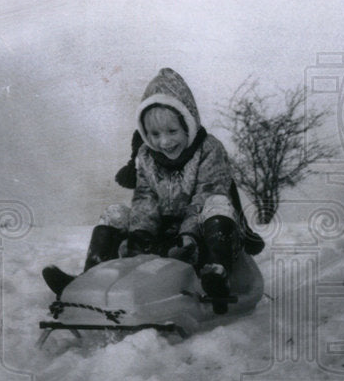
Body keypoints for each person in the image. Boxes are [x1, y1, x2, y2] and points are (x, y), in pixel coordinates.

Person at [42, 68, 261, 314]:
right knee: (115, 213)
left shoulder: (209, 149)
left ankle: (216, 276)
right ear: (144, 134)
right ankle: (87, 281)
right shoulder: (147, 155)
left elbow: (206, 193)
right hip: (164, 233)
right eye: (154, 134)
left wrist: (189, 236)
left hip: (203, 233)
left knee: (218, 202)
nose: (164, 142)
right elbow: (145, 197)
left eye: (172, 131)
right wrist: (141, 234)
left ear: (188, 125)